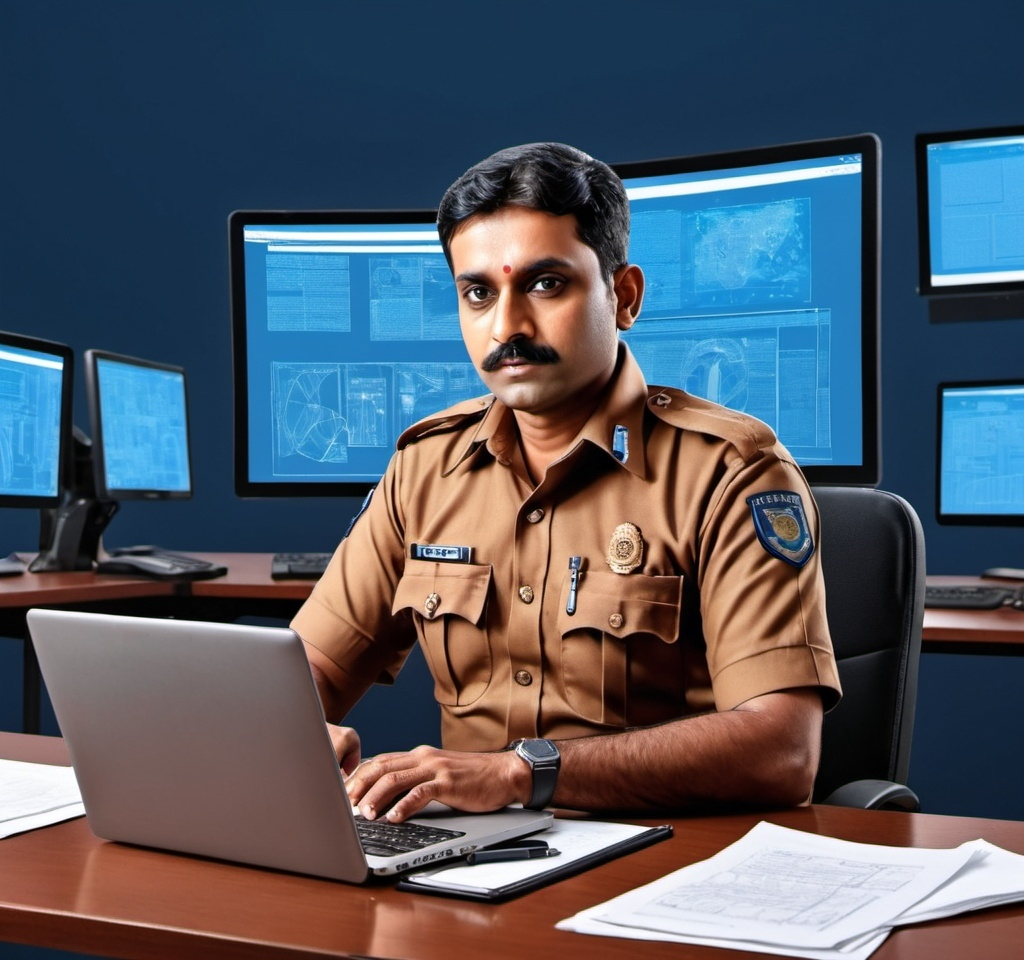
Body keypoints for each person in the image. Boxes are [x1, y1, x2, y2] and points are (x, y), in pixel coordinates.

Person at [292, 142, 841, 824]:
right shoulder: (424, 468)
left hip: (662, 864)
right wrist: (290, 730)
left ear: (625, 296)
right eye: (478, 293)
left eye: (546, 284)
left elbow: (782, 751)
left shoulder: (731, 472)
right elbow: (306, 672)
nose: (507, 326)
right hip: (460, 861)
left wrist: (520, 773)